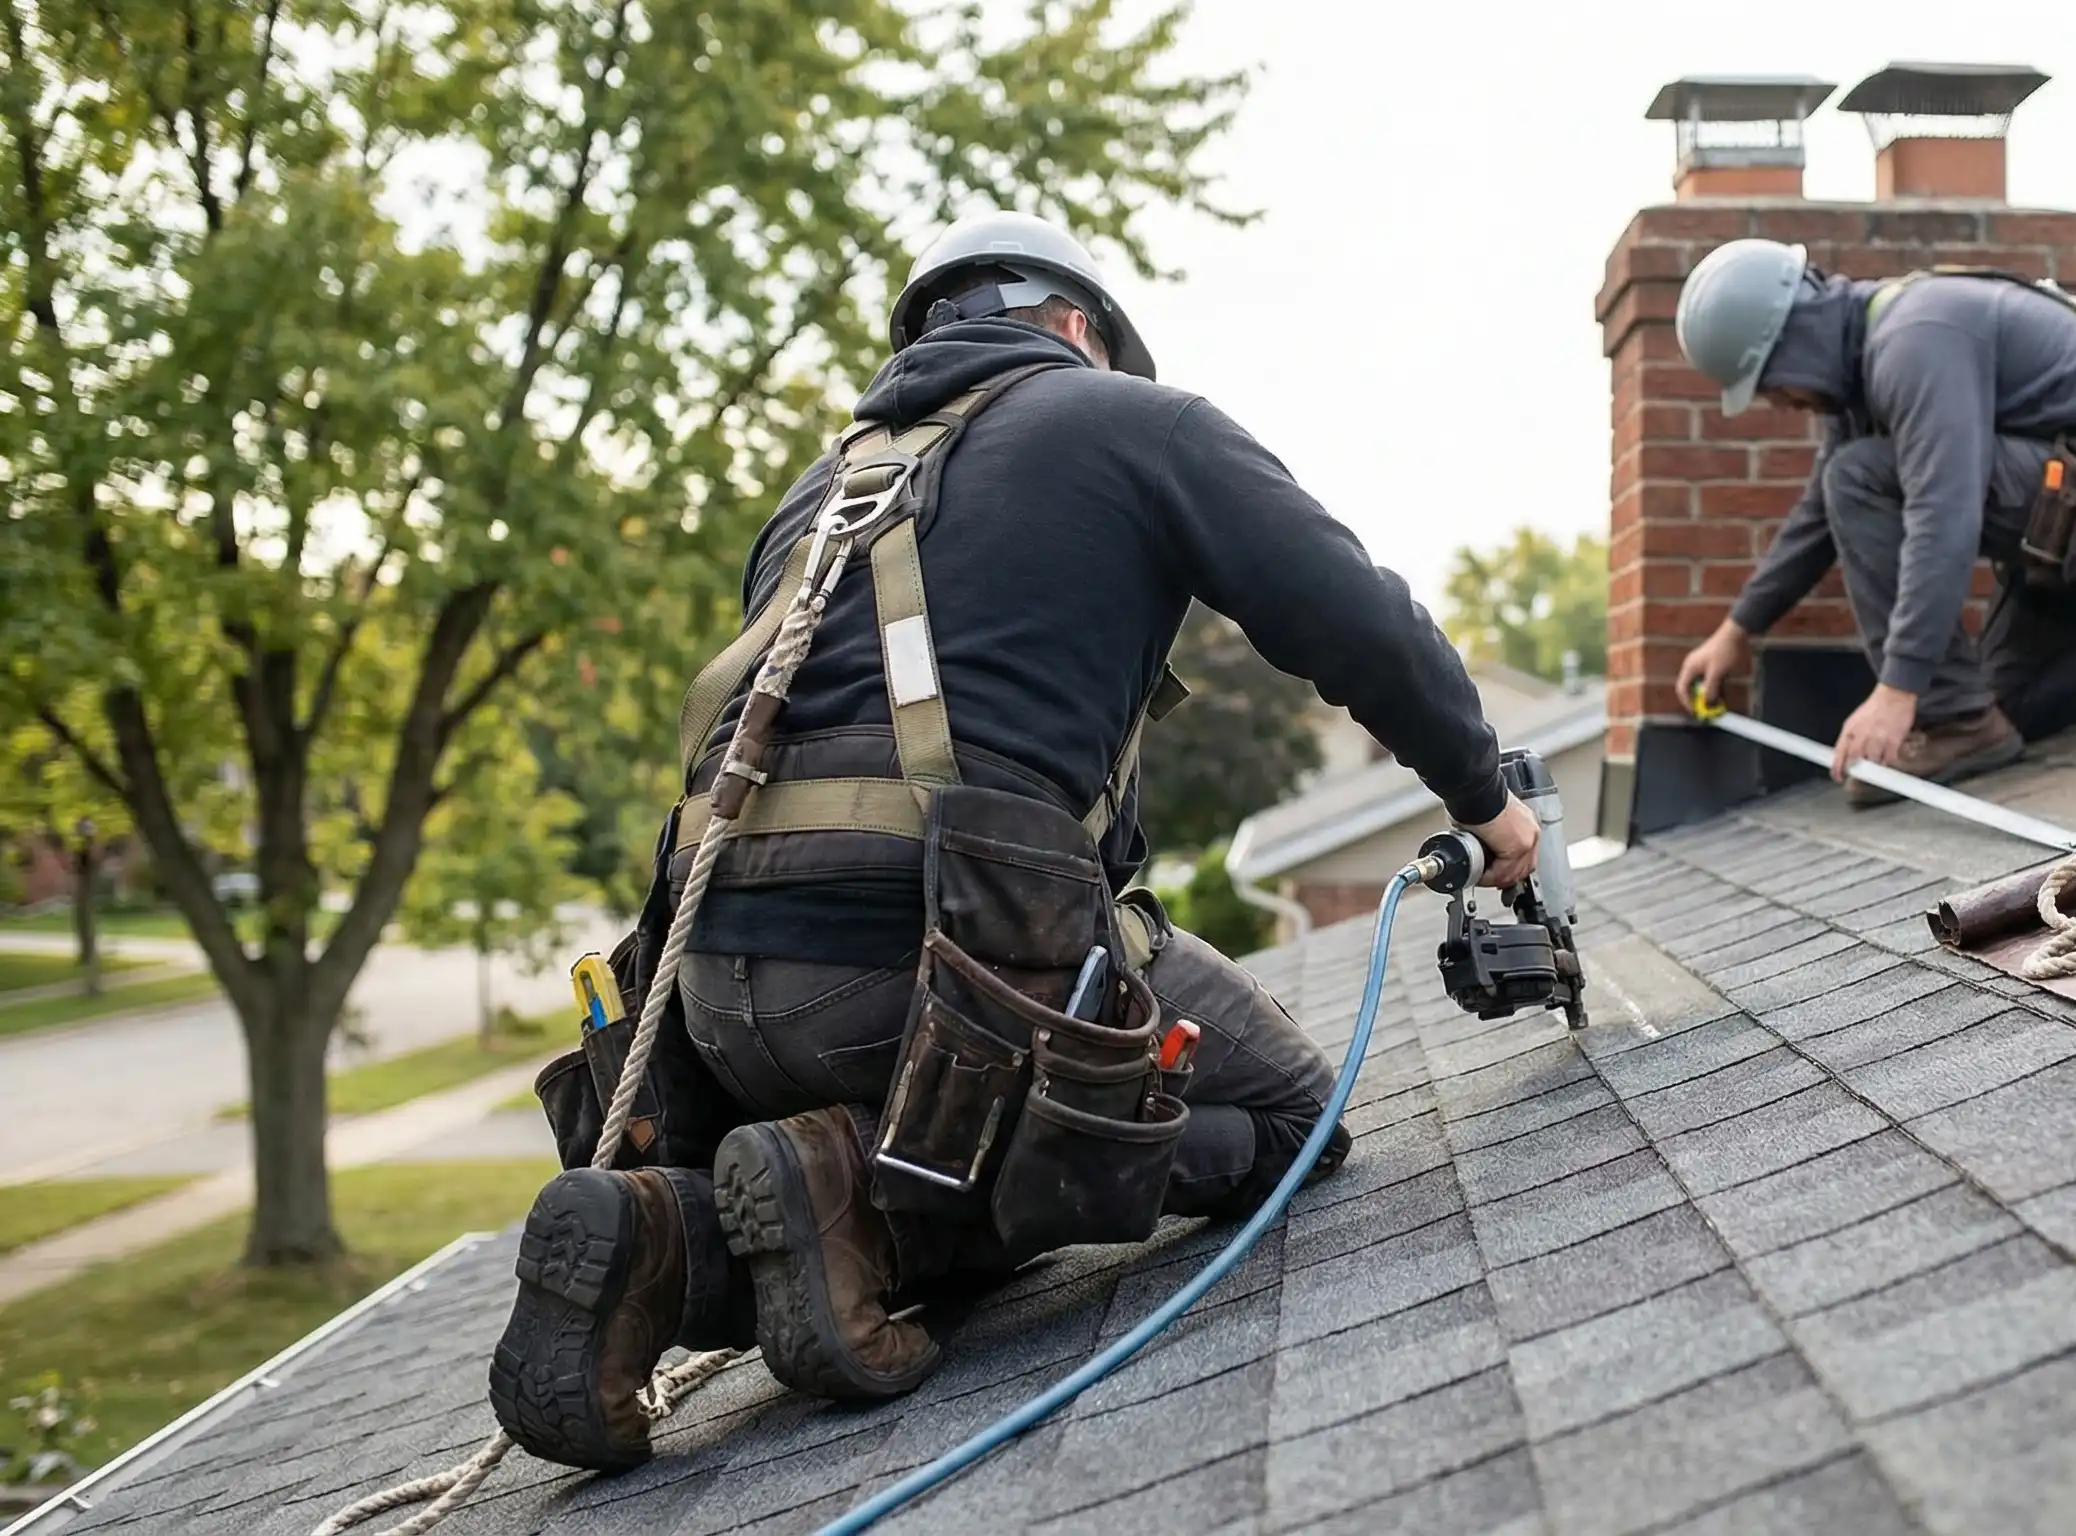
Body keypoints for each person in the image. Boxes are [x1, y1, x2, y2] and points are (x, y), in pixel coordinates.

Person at [489, 210, 1541, 1470]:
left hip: (714, 998)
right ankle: (860, 1213)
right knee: (1285, 1124)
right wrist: (1489, 805)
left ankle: (667, 1237)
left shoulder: (813, 497)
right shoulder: (1135, 424)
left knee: (877, 1149)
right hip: (940, 971)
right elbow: (1358, 621)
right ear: (1081, 329)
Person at [1667, 241, 2076, 804]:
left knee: (1859, 480)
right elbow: (1816, 521)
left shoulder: (1914, 338)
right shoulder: (1860, 373)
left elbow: (1946, 511)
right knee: (2002, 716)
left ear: (1795, 336)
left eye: (1773, 385)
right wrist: (1736, 630)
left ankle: (1955, 713)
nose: (1781, 404)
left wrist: (1899, 691)